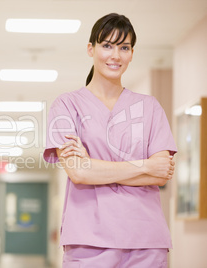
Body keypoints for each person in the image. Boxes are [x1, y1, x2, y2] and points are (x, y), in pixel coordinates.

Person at [43, 13, 177, 267]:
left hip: (146, 240)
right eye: (107, 45)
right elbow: (79, 173)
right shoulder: (66, 105)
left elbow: (161, 174)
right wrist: (144, 165)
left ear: (132, 53)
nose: (115, 55)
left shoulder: (149, 107)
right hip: (88, 241)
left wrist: (96, 166)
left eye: (124, 47)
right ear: (91, 49)